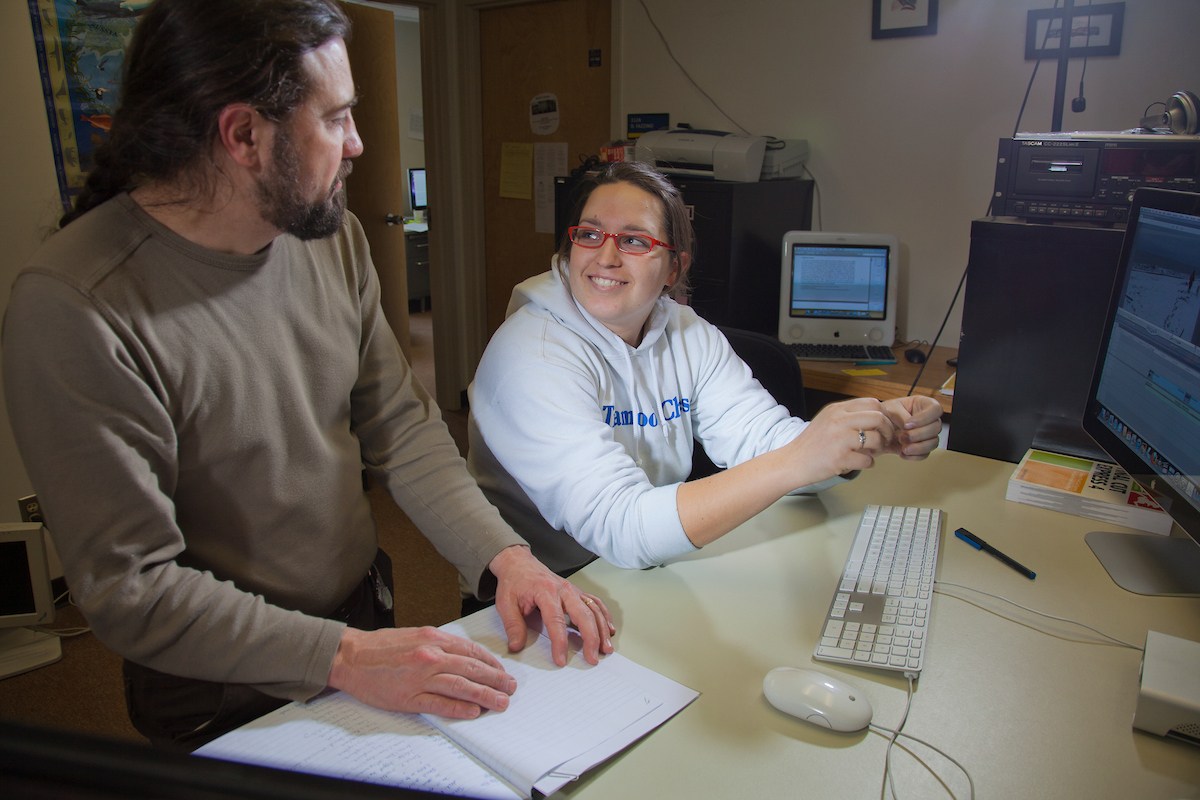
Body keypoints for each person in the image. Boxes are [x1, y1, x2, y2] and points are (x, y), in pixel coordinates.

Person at [2, 0, 612, 752]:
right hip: (221, 676)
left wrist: (505, 557)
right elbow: (134, 592)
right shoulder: (76, 306)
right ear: (244, 136)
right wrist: (343, 658)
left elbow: (400, 424)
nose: (358, 144)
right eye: (336, 118)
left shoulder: (331, 238)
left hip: (360, 616)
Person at [467, 161, 944, 577]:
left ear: (674, 269)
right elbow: (620, 526)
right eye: (590, 234)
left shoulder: (688, 333)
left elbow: (765, 443)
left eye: (634, 240)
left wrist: (863, 433)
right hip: (551, 584)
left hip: (644, 566)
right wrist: (800, 458)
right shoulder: (532, 353)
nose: (605, 257)